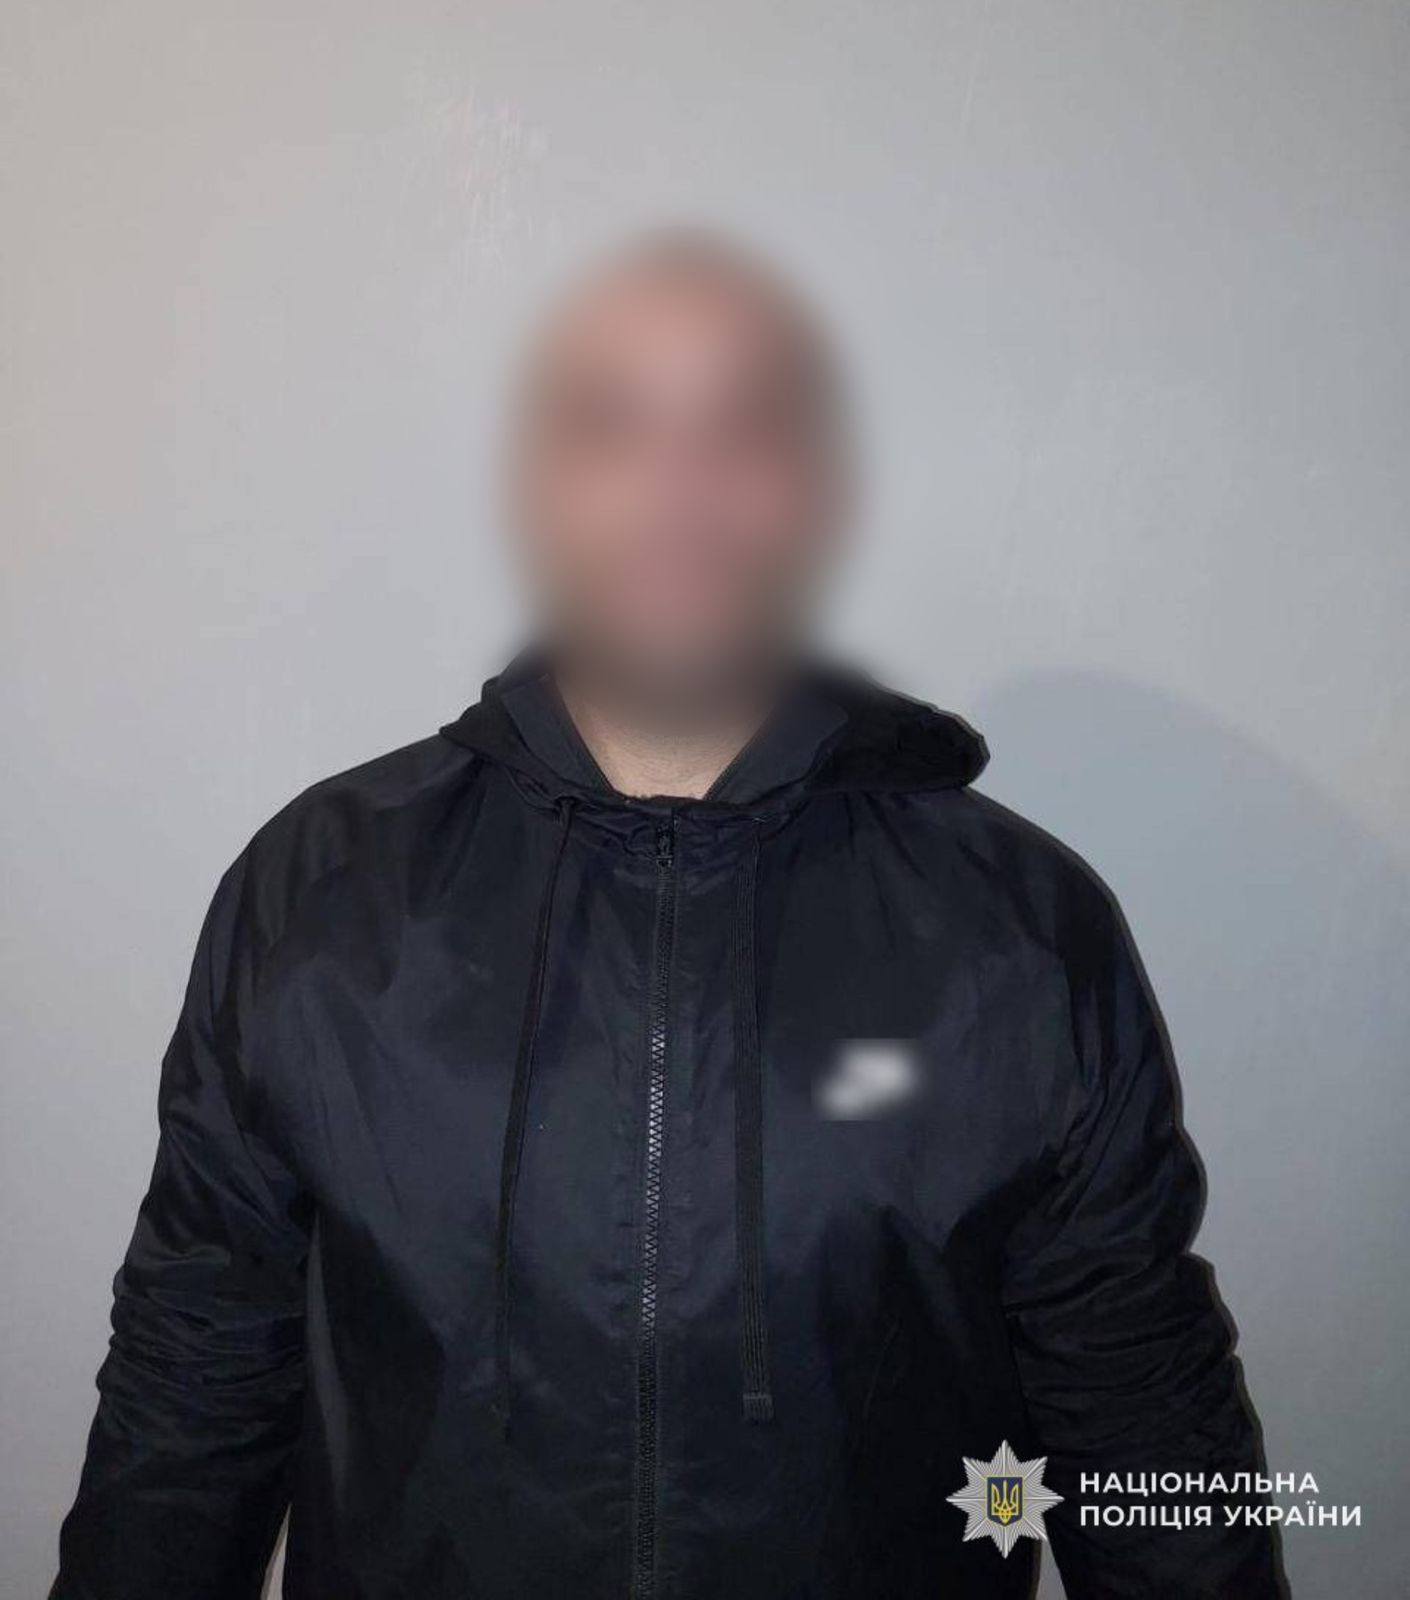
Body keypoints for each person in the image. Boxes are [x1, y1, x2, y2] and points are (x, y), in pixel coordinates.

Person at [53, 232, 1280, 1598]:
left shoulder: (1020, 924)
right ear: (536, 489)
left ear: (815, 492)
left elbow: (1140, 1410)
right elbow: (194, 1371)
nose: (679, 493)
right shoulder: (318, 890)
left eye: (742, 429)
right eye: (611, 426)